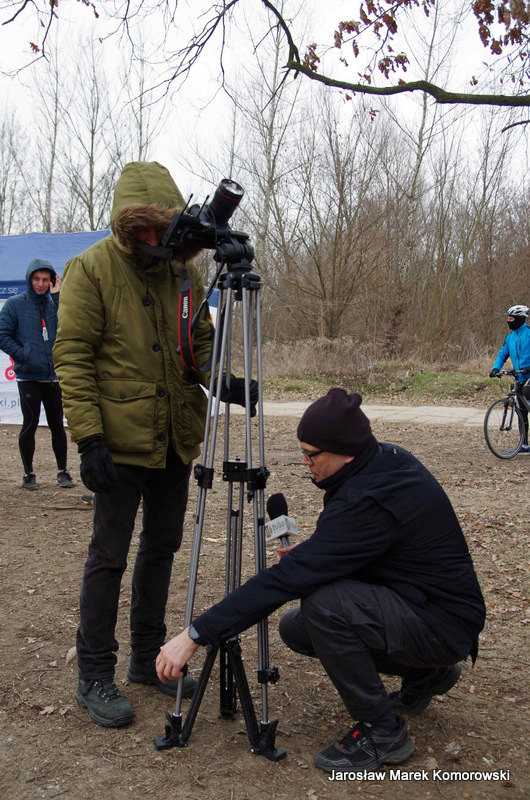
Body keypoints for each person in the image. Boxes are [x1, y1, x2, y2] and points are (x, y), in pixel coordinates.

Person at [156, 389, 486, 773]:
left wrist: (196, 634)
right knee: (297, 628)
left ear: (345, 452)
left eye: (311, 455)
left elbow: (283, 581)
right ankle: (427, 672)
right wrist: (318, 555)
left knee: (324, 606)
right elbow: (376, 547)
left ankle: (382, 730)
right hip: (425, 606)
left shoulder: (368, 497)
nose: (304, 462)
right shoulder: (379, 462)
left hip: (442, 623)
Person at [53, 161, 255, 729]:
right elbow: (72, 357)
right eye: (146, 228)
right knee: (108, 557)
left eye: (162, 228)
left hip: (174, 438)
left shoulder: (179, 272)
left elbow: (200, 343)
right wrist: (89, 440)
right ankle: (95, 672)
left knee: (161, 549)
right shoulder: (91, 268)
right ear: (128, 225)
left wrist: (223, 381)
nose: (155, 238)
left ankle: (147, 659)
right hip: (116, 442)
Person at [0, 258, 74, 490]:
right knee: (29, 424)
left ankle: (62, 471)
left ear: (52, 281)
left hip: (54, 377)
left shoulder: (57, 303)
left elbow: (68, 328)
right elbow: (2, 335)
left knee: (57, 425)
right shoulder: (15, 304)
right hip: (28, 377)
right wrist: (24, 355)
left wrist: (57, 297)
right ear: (29, 279)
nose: (40, 284)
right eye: (36, 279)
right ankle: (28, 473)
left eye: (45, 279)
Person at [489, 304, 530, 453]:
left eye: (511, 319)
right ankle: (524, 445)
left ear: (520, 319)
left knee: (526, 391)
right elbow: (502, 355)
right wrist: (495, 368)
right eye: (508, 318)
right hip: (519, 376)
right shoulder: (510, 338)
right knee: (522, 411)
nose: (509, 321)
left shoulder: (529, 333)